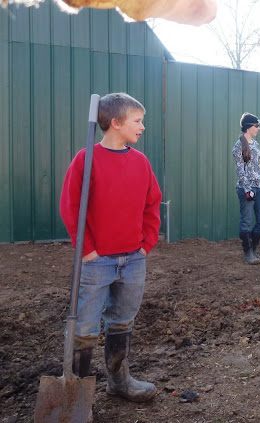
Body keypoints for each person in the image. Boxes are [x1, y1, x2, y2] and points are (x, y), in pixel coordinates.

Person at [60, 92, 162, 402]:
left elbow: (152, 203)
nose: (142, 126)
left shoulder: (140, 162)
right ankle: (77, 391)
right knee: (86, 325)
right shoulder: (86, 160)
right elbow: (71, 207)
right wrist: (87, 249)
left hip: (133, 259)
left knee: (122, 320)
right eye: (137, 121)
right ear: (115, 123)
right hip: (96, 261)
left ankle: (119, 381)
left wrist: (146, 244)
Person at [232, 112, 260, 265]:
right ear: (249, 127)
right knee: (246, 221)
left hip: (259, 187)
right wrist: (247, 189)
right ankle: (248, 254)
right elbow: (240, 170)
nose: (258, 129)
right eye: (257, 126)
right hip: (247, 189)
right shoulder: (238, 147)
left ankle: (254, 250)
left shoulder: (256, 145)